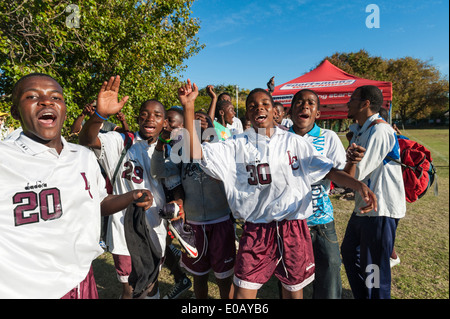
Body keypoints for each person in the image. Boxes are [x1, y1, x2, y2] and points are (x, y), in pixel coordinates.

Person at [178, 79, 377, 299]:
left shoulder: (295, 143)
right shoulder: (236, 145)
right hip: (256, 230)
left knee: (293, 291)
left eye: (265, 103)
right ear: (248, 115)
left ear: (275, 111)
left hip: (293, 227)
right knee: (243, 293)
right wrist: (188, 106)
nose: (259, 107)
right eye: (252, 106)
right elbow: (193, 152)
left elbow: (330, 172)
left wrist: (358, 185)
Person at [0, 73, 153, 299]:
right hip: (30, 290)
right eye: (32, 96)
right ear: (15, 112)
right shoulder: (5, 158)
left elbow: (98, 203)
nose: (46, 102)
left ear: (63, 109)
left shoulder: (82, 156)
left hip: (82, 278)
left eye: (56, 97)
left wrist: (132, 196)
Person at [78, 75, 183, 299]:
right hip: (124, 231)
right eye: (144, 114)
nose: (150, 119)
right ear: (137, 118)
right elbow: (86, 140)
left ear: (165, 122)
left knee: (152, 284)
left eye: (157, 115)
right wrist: (99, 115)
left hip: (156, 228)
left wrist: (178, 202)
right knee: (131, 290)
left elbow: (175, 188)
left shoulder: (169, 153)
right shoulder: (121, 141)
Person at [288, 89, 366, 299]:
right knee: (292, 282)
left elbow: (344, 177)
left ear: (318, 114)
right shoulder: (280, 138)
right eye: (299, 102)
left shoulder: (328, 137)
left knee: (330, 273)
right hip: (290, 223)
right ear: (290, 110)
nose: (305, 106)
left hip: (322, 220)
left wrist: (351, 161)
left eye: (311, 103)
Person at [151, 110, 235, 299]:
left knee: (224, 279)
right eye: (194, 120)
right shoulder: (181, 152)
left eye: (203, 120)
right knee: (199, 277)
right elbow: (157, 171)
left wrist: (212, 132)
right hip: (194, 227)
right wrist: (161, 143)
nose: (198, 123)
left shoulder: (222, 148)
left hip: (221, 221)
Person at [341, 85, 406, 299]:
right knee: (349, 254)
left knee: (375, 268)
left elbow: (354, 175)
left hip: (380, 209)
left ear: (365, 103)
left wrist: (343, 169)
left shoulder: (380, 130)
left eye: (352, 98)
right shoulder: (362, 130)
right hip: (364, 207)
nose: (348, 103)